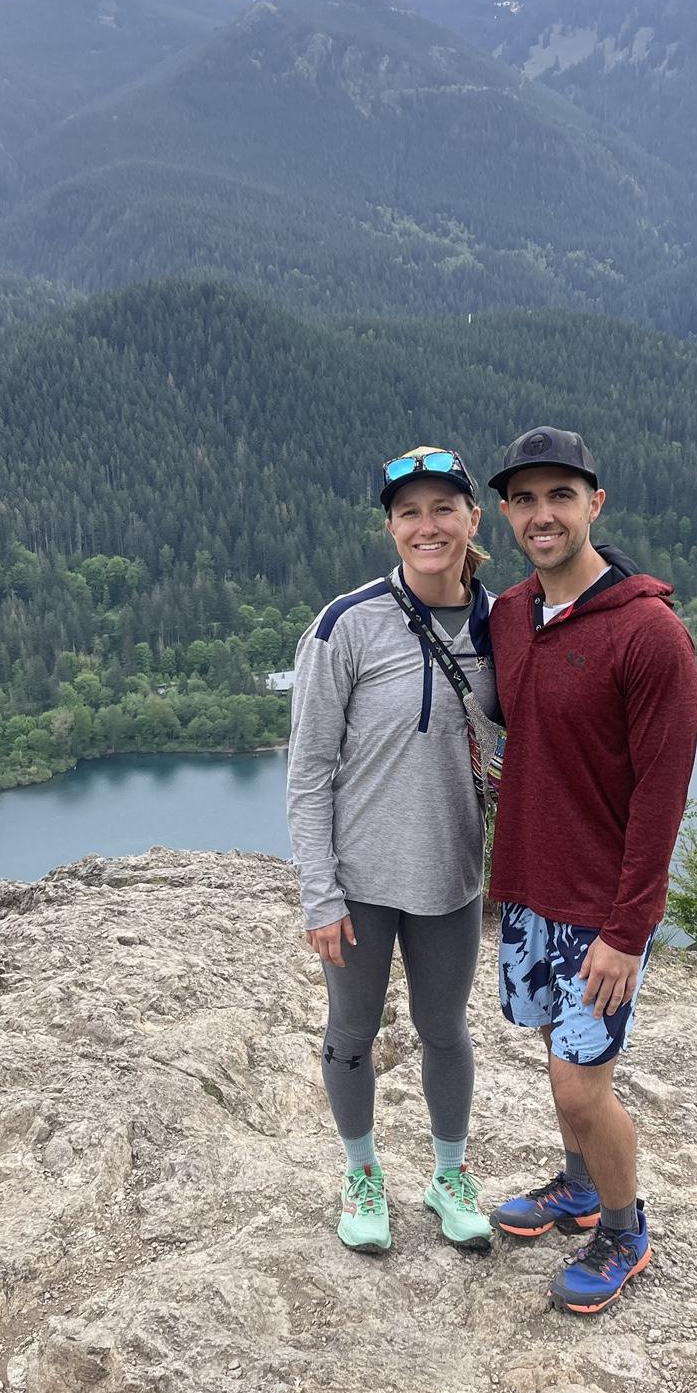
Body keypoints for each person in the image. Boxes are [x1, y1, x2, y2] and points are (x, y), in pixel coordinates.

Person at [485, 425, 697, 1313]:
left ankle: (623, 1226)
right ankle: (576, 1186)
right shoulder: (507, 615)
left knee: (582, 1085)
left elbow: (661, 797)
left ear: (594, 505)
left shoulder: (649, 636)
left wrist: (626, 932)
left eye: (561, 496)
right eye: (527, 499)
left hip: (600, 913)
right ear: (505, 513)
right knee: (551, 1051)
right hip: (529, 892)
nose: (544, 515)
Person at [286, 446, 498, 1255]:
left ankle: (448, 1177)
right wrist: (319, 893)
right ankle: (362, 1173)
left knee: (444, 1028)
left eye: (443, 507)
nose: (427, 525)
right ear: (390, 527)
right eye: (409, 512)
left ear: (472, 519)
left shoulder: (499, 624)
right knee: (352, 1031)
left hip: (451, 877)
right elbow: (307, 771)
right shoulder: (346, 625)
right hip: (361, 880)